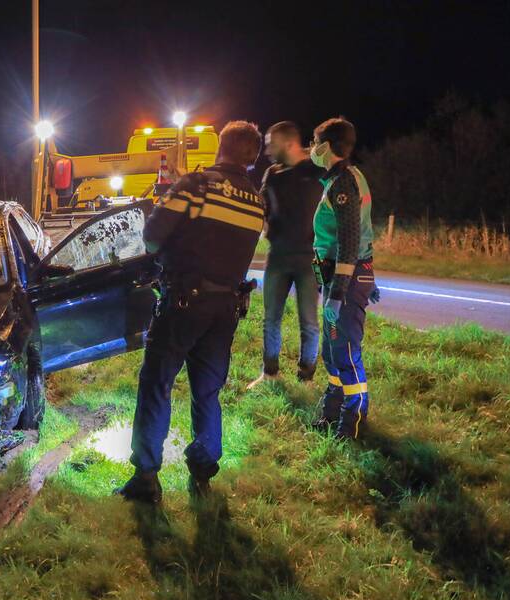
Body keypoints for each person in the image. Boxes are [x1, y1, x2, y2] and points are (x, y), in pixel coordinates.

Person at [117, 121, 265, 503]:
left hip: (184, 302)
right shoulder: (256, 199)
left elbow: (151, 237)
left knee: (157, 382)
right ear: (252, 158)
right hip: (227, 308)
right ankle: (203, 468)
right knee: (207, 390)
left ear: (221, 148)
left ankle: (146, 475)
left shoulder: (197, 186)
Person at [310, 117, 377, 440]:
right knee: (333, 351)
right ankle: (332, 411)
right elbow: (361, 234)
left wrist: (338, 293)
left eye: (314, 141)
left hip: (345, 281)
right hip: (343, 278)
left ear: (326, 146)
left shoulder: (343, 184)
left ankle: (353, 420)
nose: (311, 148)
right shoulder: (343, 178)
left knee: (346, 351)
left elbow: (349, 243)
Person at [248, 121, 324, 388]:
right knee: (271, 318)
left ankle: (306, 378)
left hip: (308, 258)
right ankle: (269, 373)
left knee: (309, 321)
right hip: (278, 256)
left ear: (289, 143)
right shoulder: (272, 173)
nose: (267, 149)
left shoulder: (317, 171)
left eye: (272, 143)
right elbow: (260, 206)